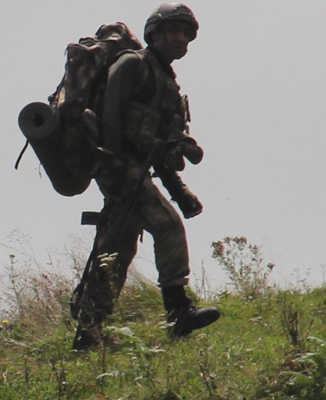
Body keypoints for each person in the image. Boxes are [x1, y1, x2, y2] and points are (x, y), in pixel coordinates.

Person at [72, 3, 220, 350]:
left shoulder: (167, 84)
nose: (181, 38)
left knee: (116, 250)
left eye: (186, 34)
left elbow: (161, 147)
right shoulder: (133, 64)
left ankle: (88, 333)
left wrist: (180, 190)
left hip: (135, 171)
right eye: (174, 30)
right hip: (119, 167)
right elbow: (111, 115)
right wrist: (114, 164)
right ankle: (178, 310)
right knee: (167, 225)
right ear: (154, 34)